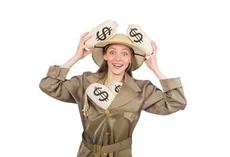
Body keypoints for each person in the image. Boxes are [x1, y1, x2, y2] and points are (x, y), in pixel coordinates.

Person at [39, 31, 187, 157]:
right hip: (87, 153)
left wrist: (155, 69)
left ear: (130, 60)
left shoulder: (142, 89)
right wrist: (76, 57)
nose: (118, 58)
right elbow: (48, 85)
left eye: (124, 54)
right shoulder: (85, 82)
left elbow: (177, 102)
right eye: (112, 52)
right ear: (105, 56)